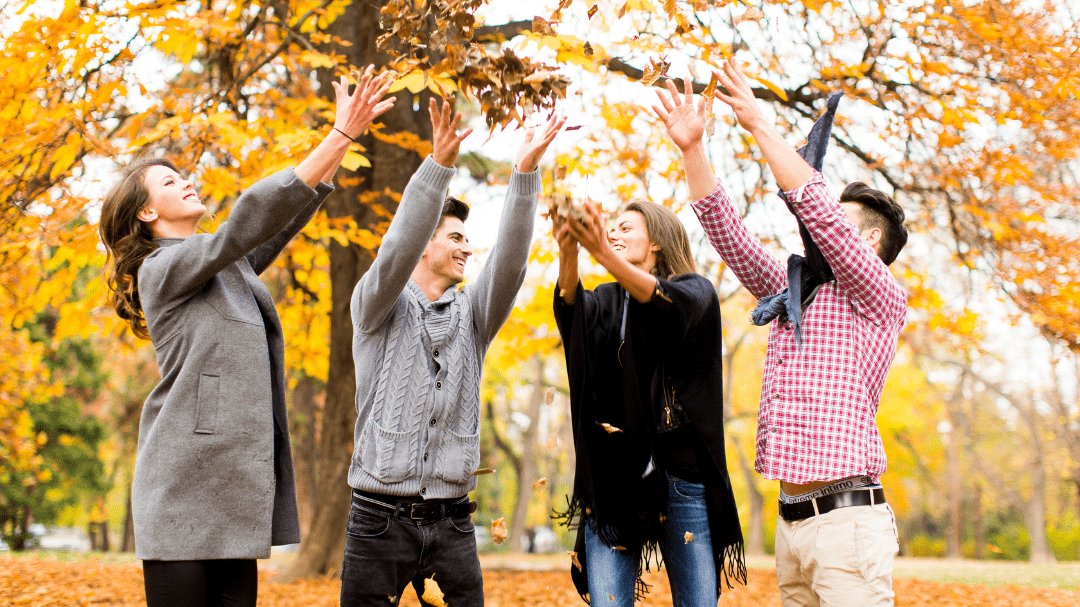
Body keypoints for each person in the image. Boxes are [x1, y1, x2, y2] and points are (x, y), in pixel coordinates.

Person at [99, 66, 395, 607]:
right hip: (179, 486)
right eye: (169, 181)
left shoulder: (224, 265)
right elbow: (243, 225)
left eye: (182, 174)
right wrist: (339, 136)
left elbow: (271, 225)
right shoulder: (159, 270)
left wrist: (340, 144)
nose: (186, 180)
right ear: (146, 212)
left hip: (232, 490)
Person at [654, 59, 908, 606]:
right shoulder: (798, 292)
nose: (818, 230)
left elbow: (816, 211)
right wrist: (692, 150)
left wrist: (760, 125)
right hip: (792, 527)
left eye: (839, 221)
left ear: (865, 239)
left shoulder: (878, 297)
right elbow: (728, 234)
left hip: (849, 529)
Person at [341, 98, 564, 607]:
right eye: (456, 237)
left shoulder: (474, 317)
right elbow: (394, 249)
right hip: (378, 521)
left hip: (453, 522)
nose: (468, 248)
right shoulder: (375, 308)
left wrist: (525, 173)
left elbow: (508, 264)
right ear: (424, 243)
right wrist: (437, 167)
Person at [551, 195, 745, 606]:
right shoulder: (605, 299)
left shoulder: (695, 291)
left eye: (625, 228)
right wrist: (569, 252)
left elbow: (664, 305)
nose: (614, 234)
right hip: (614, 480)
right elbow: (571, 312)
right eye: (611, 227)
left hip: (681, 478)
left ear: (656, 240)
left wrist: (602, 252)